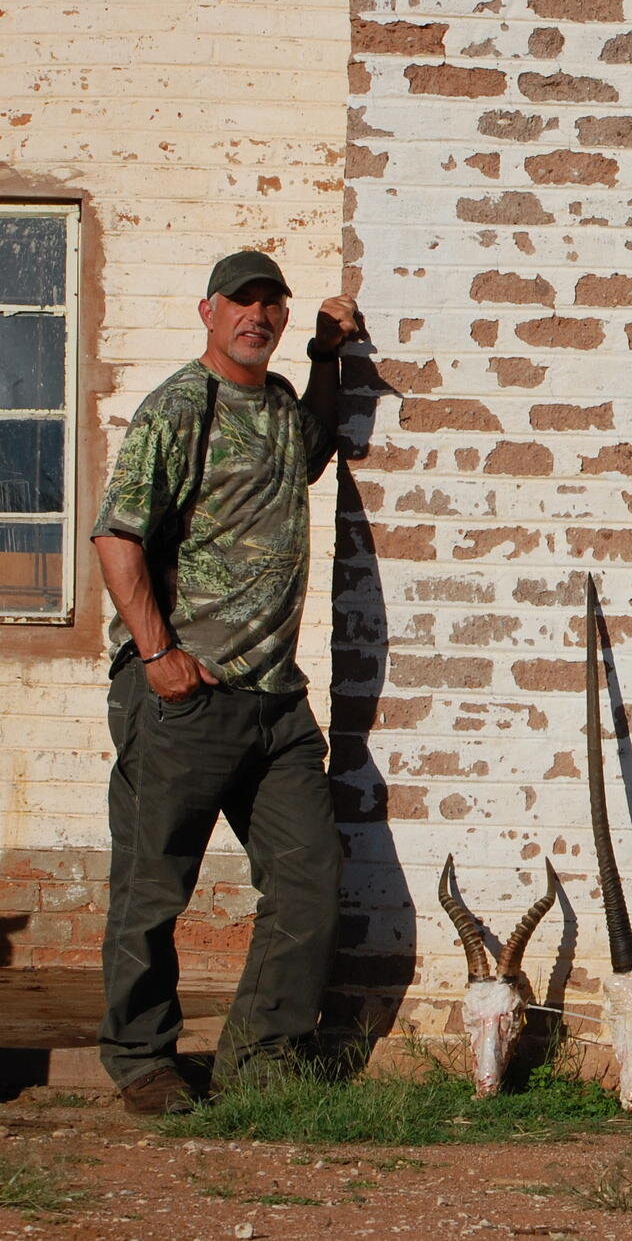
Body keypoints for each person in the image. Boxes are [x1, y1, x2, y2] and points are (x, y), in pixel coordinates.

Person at [91, 250, 359, 1114]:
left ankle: (261, 1056)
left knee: (310, 873)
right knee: (153, 884)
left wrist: (326, 357)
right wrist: (159, 654)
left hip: (276, 701)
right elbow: (117, 535)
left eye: (270, 303)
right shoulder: (178, 407)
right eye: (241, 302)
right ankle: (143, 1061)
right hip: (186, 697)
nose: (258, 315)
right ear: (207, 310)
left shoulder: (278, 405)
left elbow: (313, 450)